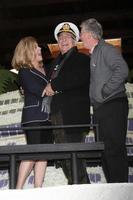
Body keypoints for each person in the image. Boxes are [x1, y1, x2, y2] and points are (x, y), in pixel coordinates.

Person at [80, 18, 129, 183]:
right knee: (105, 150)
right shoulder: (94, 53)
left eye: (81, 33)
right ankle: (112, 187)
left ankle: (120, 189)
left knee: (114, 149)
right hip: (101, 109)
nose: (80, 37)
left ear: (88, 34)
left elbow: (122, 70)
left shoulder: (105, 49)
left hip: (112, 105)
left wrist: (106, 90)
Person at [43, 22, 90, 184]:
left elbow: (77, 78)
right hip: (56, 114)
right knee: (64, 156)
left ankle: (82, 189)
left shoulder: (82, 59)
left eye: (68, 37)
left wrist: (54, 85)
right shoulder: (53, 64)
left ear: (75, 41)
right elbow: (44, 82)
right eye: (60, 37)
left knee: (73, 155)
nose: (63, 40)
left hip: (73, 116)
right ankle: (77, 186)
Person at [12, 36, 53, 189]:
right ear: (28, 51)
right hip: (33, 118)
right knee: (33, 152)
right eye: (36, 47)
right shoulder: (24, 71)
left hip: (47, 117)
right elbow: (39, 90)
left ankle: (38, 189)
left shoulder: (45, 69)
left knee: (43, 155)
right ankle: (17, 189)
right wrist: (56, 89)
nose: (40, 49)